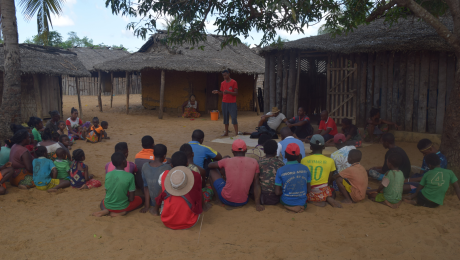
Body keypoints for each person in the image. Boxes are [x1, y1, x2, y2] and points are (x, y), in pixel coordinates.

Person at [152, 152, 204, 229]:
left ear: (171, 165)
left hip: (167, 222)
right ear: (187, 164)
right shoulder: (196, 176)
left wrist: (156, 208)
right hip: (190, 223)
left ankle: (157, 210)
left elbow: (162, 193)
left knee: (163, 190)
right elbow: (198, 195)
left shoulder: (165, 175)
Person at [208, 139, 263, 211]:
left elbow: (210, 165)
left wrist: (221, 163)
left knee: (212, 171)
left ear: (232, 151)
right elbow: (256, 184)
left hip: (226, 199)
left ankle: (218, 200)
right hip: (243, 201)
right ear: (246, 150)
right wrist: (258, 204)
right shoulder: (254, 162)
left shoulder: (226, 160)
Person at [93, 152, 144, 217]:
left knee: (102, 202)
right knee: (142, 199)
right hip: (122, 206)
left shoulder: (108, 174)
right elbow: (131, 199)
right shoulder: (130, 176)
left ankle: (106, 210)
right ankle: (122, 212)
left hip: (108, 205)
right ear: (123, 162)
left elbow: (107, 191)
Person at [301, 135, 342, 208]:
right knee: (332, 191)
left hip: (308, 190)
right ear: (324, 147)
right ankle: (326, 198)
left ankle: (313, 200)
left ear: (310, 147)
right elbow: (329, 181)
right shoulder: (330, 161)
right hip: (323, 190)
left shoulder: (303, 160)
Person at [275, 143, 311, 213]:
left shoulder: (281, 170)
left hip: (287, 201)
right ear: (298, 156)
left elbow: (277, 192)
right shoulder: (306, 168)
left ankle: (289, 207)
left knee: (280, 199)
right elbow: (308, 190)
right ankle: (299, 207)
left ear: (285, 155)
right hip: (303, 202)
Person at [139, 144, 172, 214]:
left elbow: (146, 187)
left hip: (152, 203)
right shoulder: (168, 168)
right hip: (164, 203)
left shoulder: (145, 166)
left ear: (153, 154)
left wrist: (147, 206)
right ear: (164, 156)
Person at [257, 140, 285, 205]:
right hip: (276, 197)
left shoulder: (259, 163)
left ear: (264, 151)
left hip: (262, 196)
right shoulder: (281, 164)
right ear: (276, 152)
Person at [212, 70, 238, 136]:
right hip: (224, 103)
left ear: (229, 74)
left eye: (225, 75)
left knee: (234, 118)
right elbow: (222, 94)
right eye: (223, 75)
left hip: (232, 103)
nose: (224, 76)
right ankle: (226, 132)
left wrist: (229, 92)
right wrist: (218, 92)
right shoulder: (222, 83)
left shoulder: (234, 82)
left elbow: (236, 93)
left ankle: (236, 133)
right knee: (225, 118)